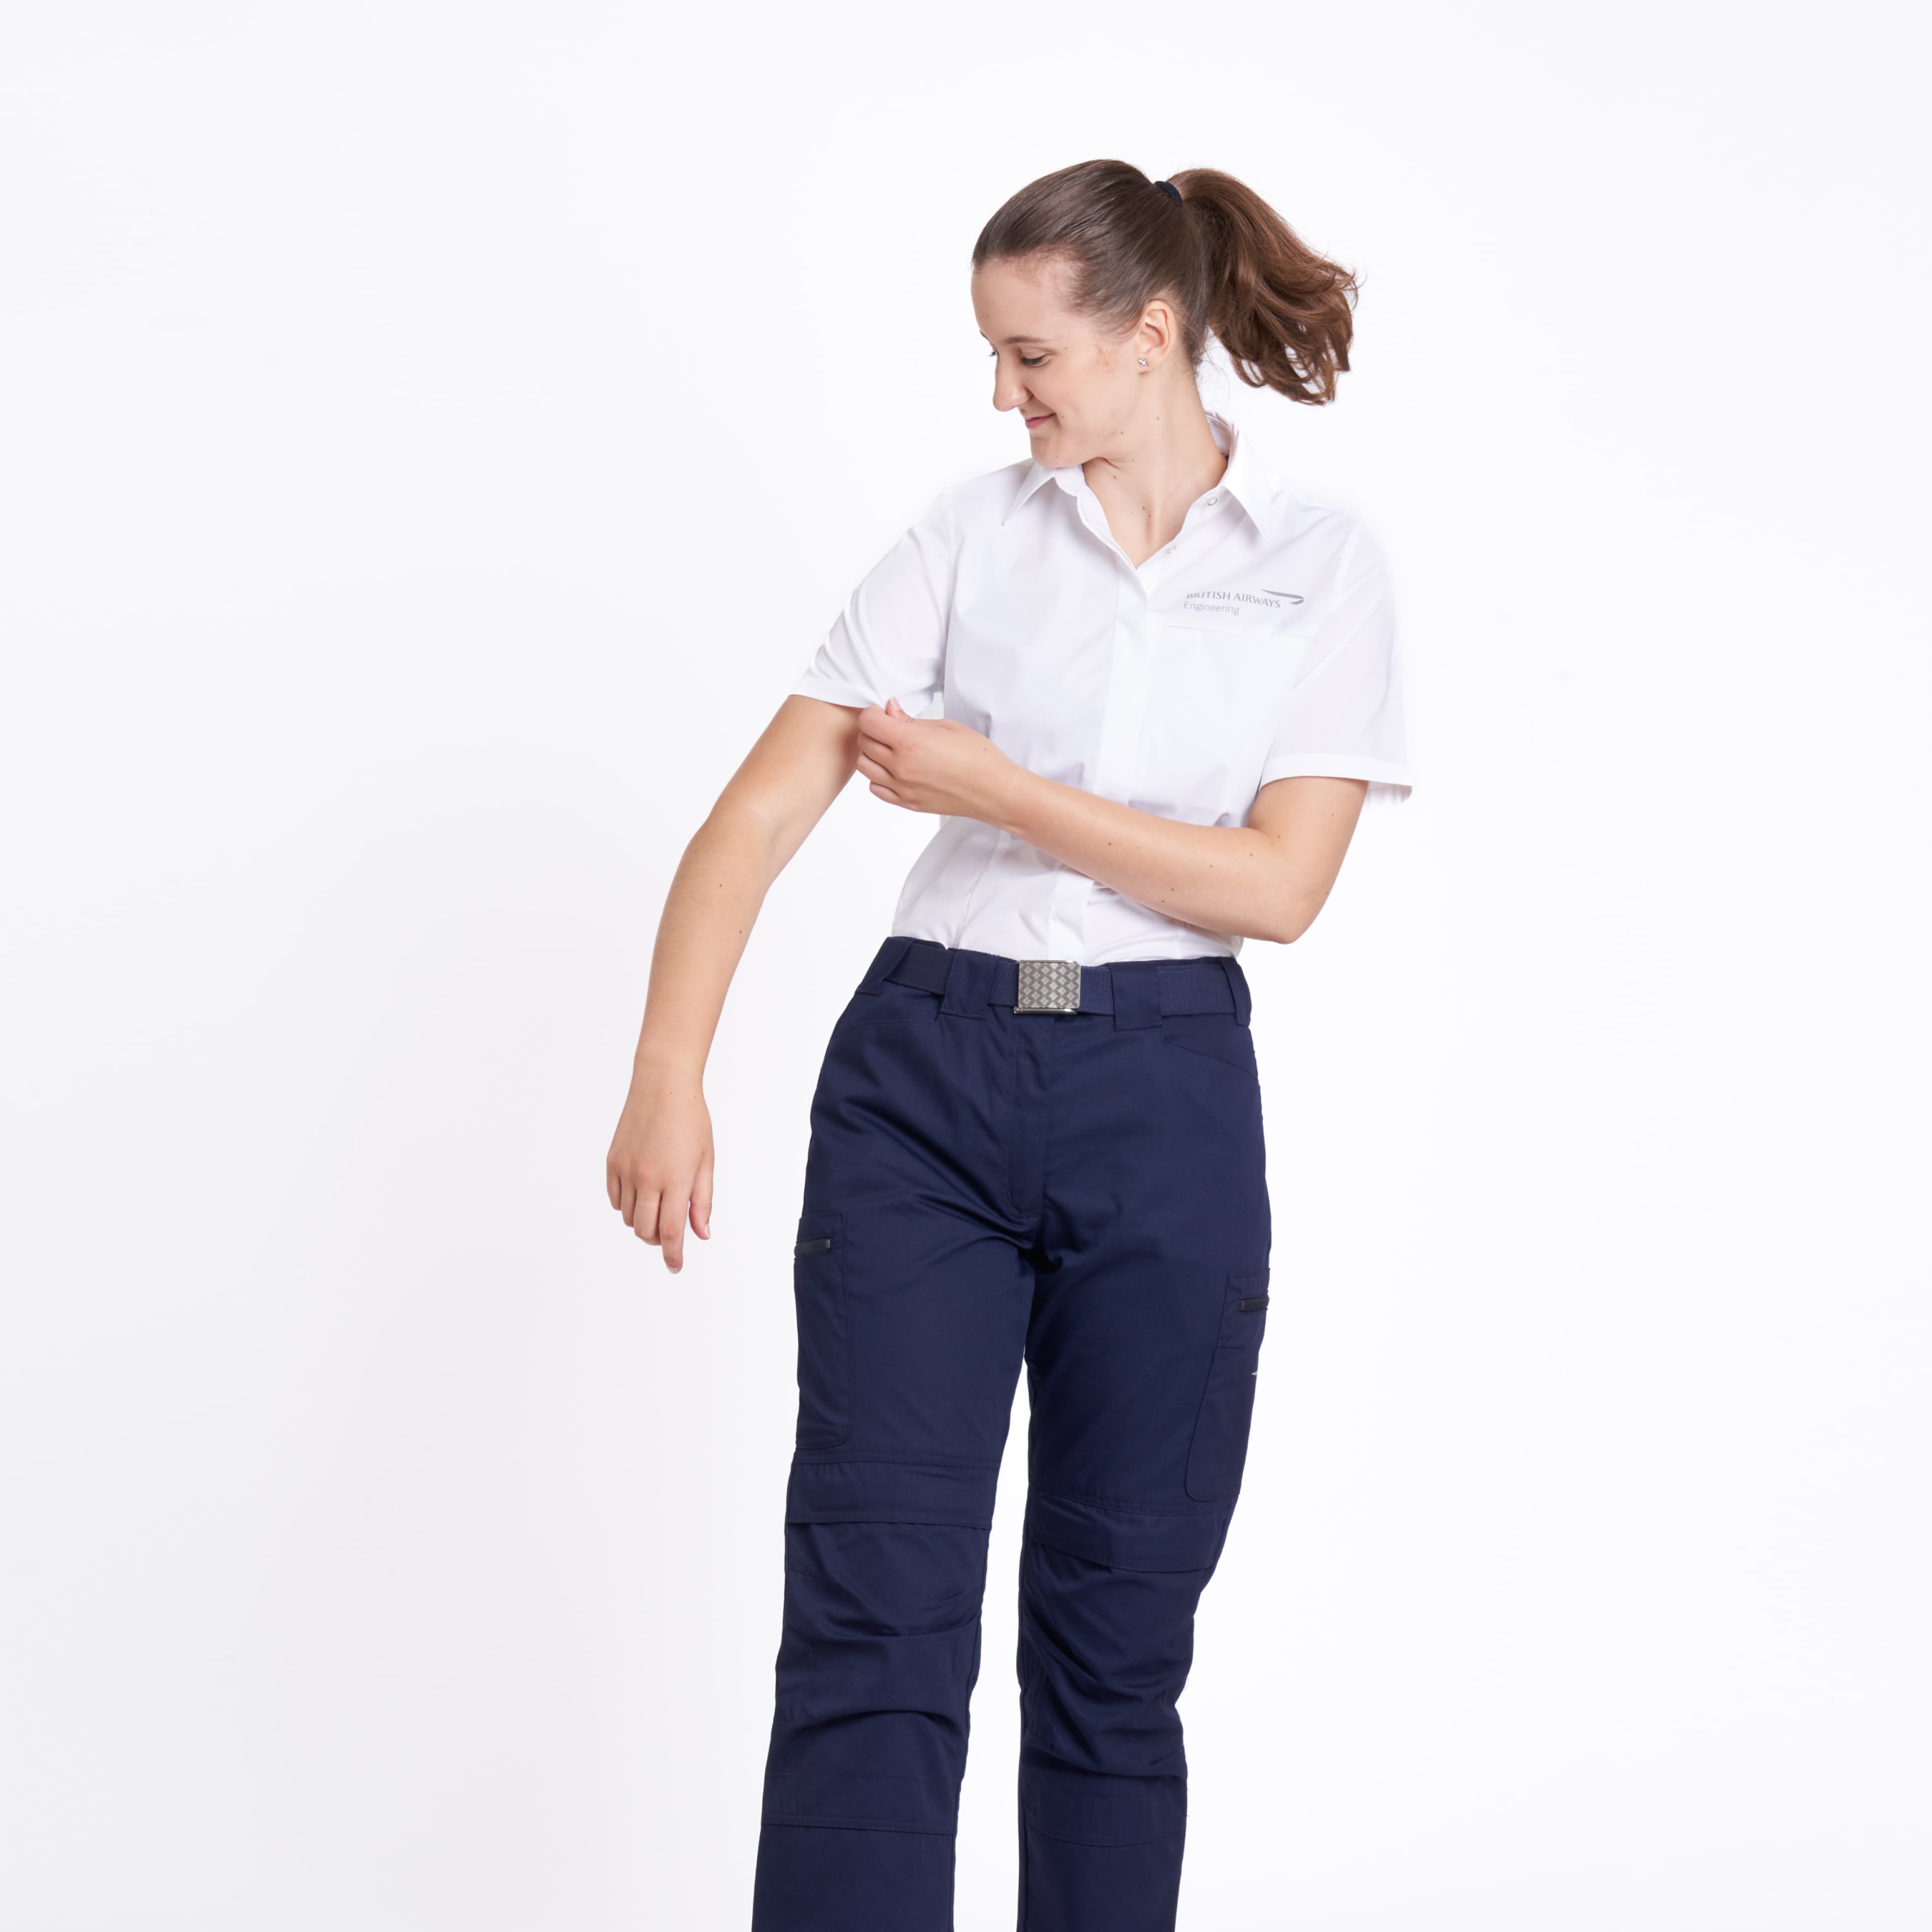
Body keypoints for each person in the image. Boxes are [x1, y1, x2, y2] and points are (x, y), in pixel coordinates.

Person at [605, 158, 1411, 1932]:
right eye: (991, 355)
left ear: (1149, 334)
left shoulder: (1322, 571)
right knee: (872, 1628)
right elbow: (753, 820)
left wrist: (993, 788)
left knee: (1115, 1650)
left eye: (1030, 353)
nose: (1003, 393)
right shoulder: (969, 536)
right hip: (929, 1088)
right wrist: (671, 1070)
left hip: (1167, 1096)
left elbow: (1279, 890)